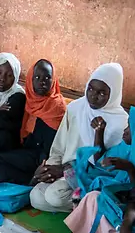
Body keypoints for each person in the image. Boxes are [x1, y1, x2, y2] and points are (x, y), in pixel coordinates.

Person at [30, 63, 129, 213]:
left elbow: (107, 167)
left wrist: (64, 171)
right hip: (65, 172)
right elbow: (59, 146)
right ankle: (86, 208)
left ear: (114, 93)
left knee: (54, 196)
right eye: (90, 89)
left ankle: (92, 204)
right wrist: (49, 169)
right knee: (35, 196)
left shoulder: (121, 123)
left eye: (102, 93)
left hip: (92, 178)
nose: (93, 96)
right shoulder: (76, 108)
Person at [0, 59, 68, 184]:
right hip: (27, 154)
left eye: (47, 78)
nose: (42, 82)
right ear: (30, 80)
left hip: (45, 160)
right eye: (37, 77)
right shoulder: (30, 102)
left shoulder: (57, 108)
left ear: (53, 80)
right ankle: (30, 179)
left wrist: (43, 164)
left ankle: (31, 180)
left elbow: (56, 148)